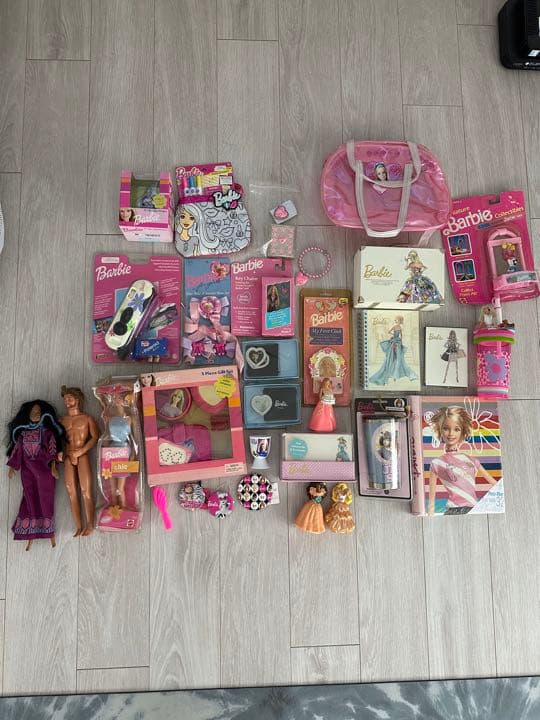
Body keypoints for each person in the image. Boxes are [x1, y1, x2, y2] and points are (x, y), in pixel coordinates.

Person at [6, 400, 65, 550]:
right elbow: (18, 450)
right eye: (32, 412)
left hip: (45, 471)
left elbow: (52, 449)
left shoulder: (47, 433)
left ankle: (49, 532)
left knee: (45, 499)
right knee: (29, 498)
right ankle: (30, 534)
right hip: (27, 471)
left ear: (44, 414)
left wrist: (53, 466)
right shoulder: (23, 434)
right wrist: (13, 467)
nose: (35, 414)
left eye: (38, 412)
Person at [427, 406, 497, 516]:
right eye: (446, 428)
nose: (451, 433)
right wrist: (429, 515)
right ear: (440, 430)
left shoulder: (472, 460)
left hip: (473, 509)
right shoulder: (437, 463)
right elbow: (431, 500)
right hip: (453, 510)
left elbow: (495, 484)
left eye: (457, 429)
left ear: (462, 432)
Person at [59, 386, 101, 536]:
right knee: (71, 491)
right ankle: (78, 526)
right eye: (65, 399)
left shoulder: (87, 418)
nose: (67, 401)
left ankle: (90, 524)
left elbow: (95, 437)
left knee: (85, 490)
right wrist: (60, 453)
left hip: (82, 455)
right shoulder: (61, 420)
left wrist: (81, 451)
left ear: (77, 400)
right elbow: (56, 440)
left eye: (69, 398)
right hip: (68, 456)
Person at [369, 316, 418, 386]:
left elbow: (401, 336)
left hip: (397, 342)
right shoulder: (395, 326)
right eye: (396, 320)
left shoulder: (399, 327)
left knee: (398, 359)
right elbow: (389, 332)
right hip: (395, 342)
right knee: (392, 358)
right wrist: (394, 336)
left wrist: (400, 342)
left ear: (400, 321)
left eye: (397, 320)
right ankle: (393, 374)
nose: (396, 321)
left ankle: (395, 374)